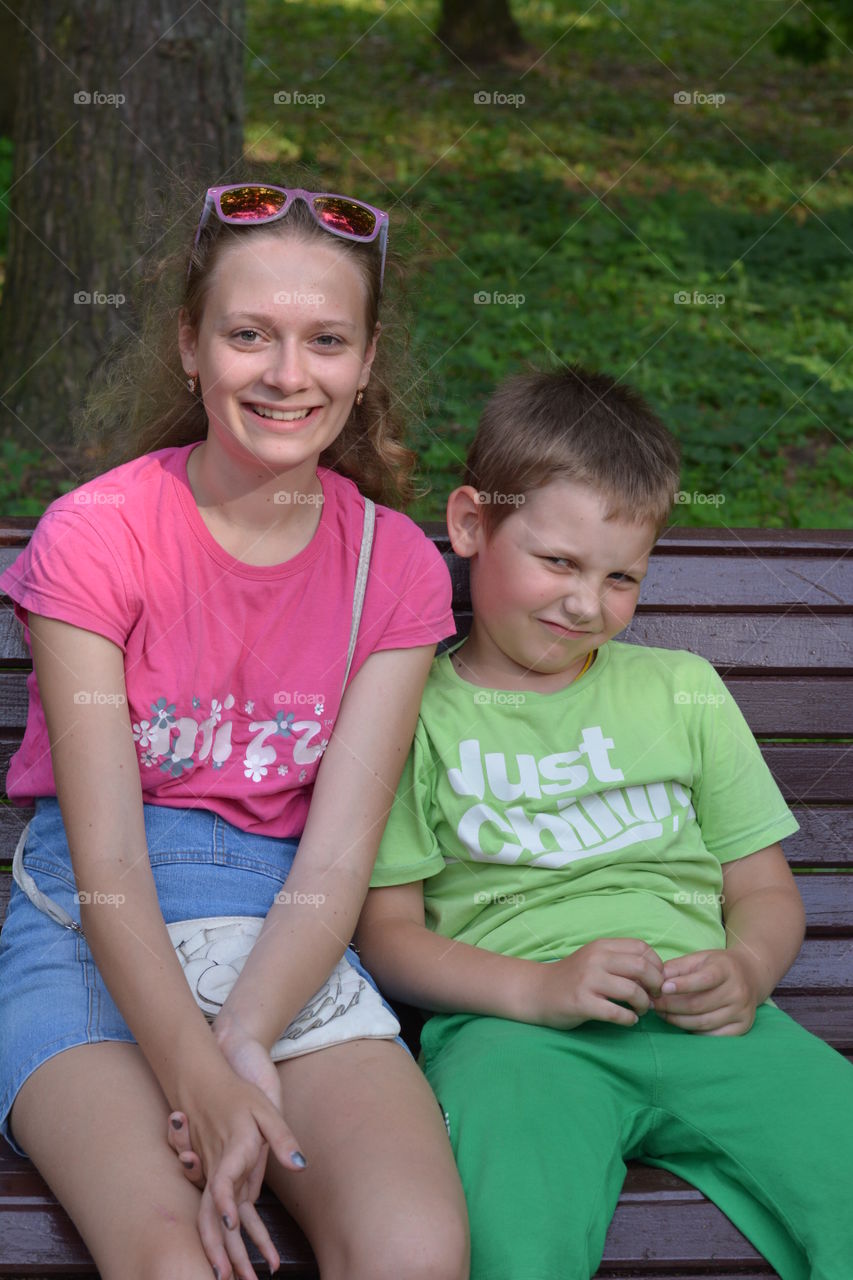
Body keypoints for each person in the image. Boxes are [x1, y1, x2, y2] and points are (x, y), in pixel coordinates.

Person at [0, 180, 468, 1280]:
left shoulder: (389, 565)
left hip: (287, 932)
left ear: (365, 362)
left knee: (413, 1245)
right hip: (91, 929)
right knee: (175, 1259)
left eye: (325, 340)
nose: (287, 373)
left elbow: (339, 856)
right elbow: (109, 861)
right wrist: (201, 1082)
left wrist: (247, 1035)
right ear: (190, 346)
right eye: (249, 334)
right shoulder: (100, 536)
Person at [355, 364, 853, 1280]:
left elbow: (761, 890)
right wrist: (535, 991)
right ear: (470, 524)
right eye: (557, 562)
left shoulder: (680, 691)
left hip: (711, 1025)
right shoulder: (407, 707)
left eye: (620, 577)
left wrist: (745, 968)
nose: (587, 604)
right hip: (514, 1037)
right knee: (512, 1235)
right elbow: (386, 936)